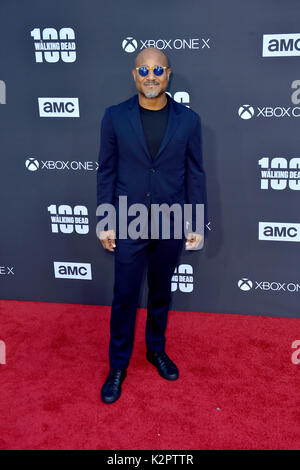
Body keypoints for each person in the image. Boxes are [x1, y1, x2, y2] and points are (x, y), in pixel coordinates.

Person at [96, 47, 207, 404]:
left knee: (161, 292)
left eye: (158, 70)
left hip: (171, 219)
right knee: (125, 295)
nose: (151, 77)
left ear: (168, 74)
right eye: (143, 71)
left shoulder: (189, 120)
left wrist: (195, 221)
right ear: (134, 75)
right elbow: (107, 172)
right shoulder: (114, 117)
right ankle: (117, 366)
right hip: (128, 219)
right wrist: (104, 220)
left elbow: (195, 173)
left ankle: (155, 350)